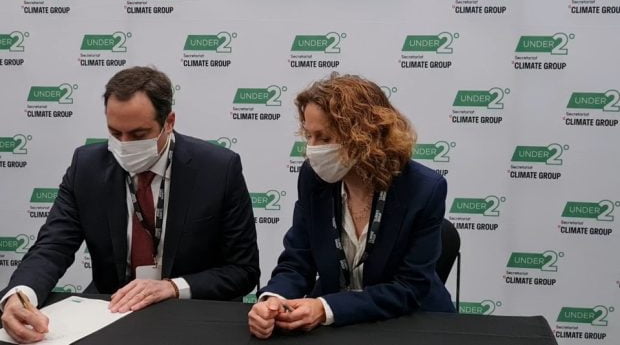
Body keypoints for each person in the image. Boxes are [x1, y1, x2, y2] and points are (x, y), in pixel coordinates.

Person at [1, 66, 259, 343]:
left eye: (138, 135)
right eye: (115, 133)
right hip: (109, 309)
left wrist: (173, 287)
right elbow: (52, 246)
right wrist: (20, 295)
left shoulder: (218, 170)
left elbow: (242, 270)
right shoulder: (87, 167)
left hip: (191, 313)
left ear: (169, 122)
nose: (124, 145)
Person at [248, 74, 454, 338]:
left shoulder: (423, 189)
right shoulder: (313, 178)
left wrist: (325, 308)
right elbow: (298, 259)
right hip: (336, 326)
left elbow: (409, 288)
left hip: (409, 323)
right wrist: (273, 300)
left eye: (324, 138)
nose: (311, 149)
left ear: (364, 137)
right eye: (308, 136)